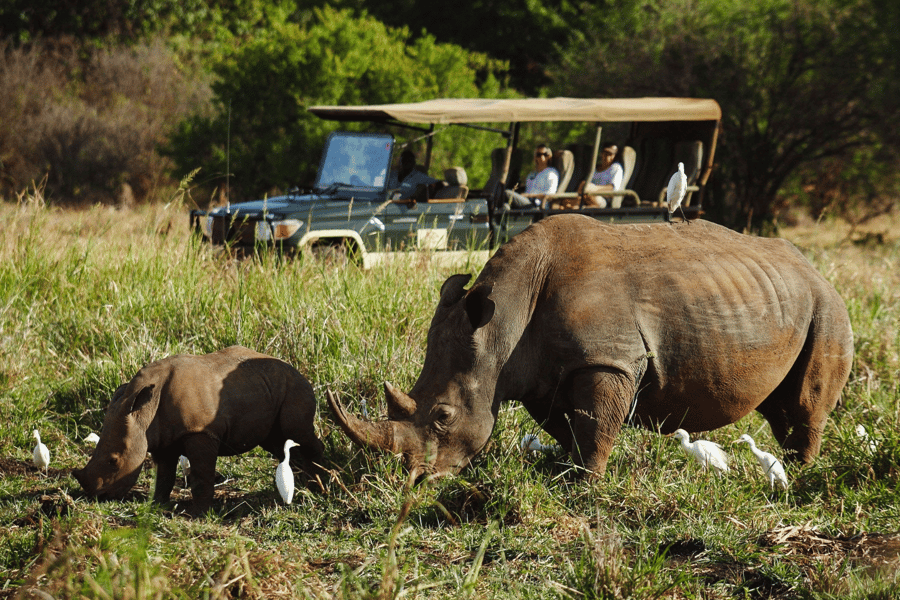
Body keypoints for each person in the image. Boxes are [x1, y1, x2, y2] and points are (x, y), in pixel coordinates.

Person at [504, 144, 559, 208]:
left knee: (507, 193)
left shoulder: (551, 173)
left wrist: (529, 195)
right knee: (505, 206)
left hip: (537, 204)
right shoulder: (531, 174)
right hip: (526, 201)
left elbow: (550, 194)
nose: (542, 157)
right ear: (535, 157)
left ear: (549, 156)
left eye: (545, 154)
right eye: (538, 154)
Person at [573, 142, 623, 208]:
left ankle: (579, 207)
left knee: (587, 191)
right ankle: (574, 206)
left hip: (603, 199)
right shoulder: (594, 169)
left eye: (611, 154)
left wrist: (594, 188)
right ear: (601, 154)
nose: (607, 156)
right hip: (587, 195)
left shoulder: (616, 168)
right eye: (606, 153)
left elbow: (613, 188)